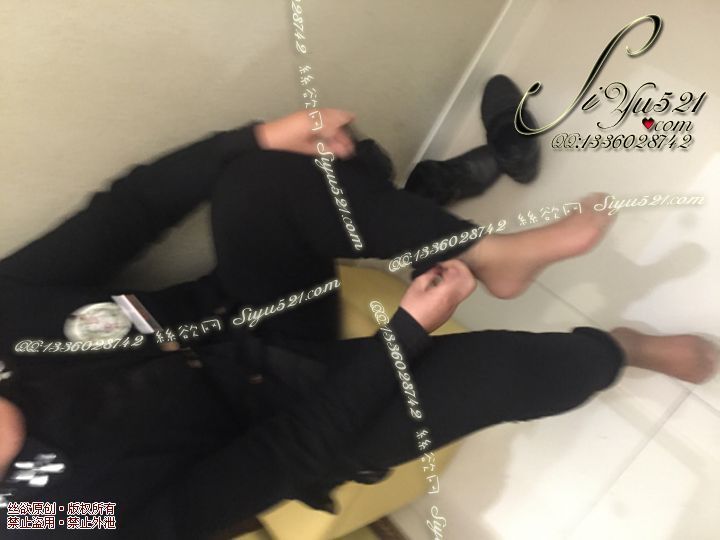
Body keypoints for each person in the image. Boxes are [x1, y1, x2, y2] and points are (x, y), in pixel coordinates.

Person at [0, 107, 716, 540]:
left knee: (258, 175)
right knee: (526, 374)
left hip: (236, 315)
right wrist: (406, 334)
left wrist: (256, 136)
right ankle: (622, 351)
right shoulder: (57, 522)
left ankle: (493, 257)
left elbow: (128, 210)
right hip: (290, 420)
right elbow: (284, 456)